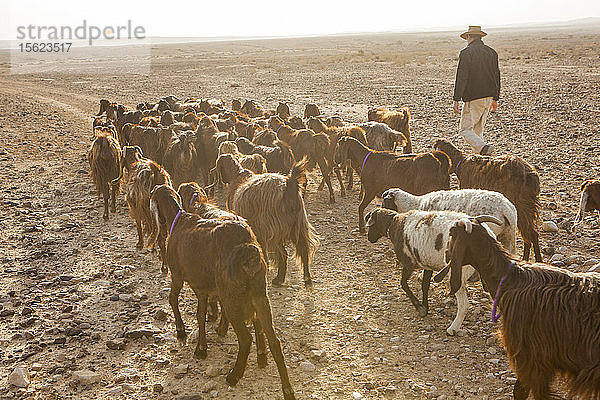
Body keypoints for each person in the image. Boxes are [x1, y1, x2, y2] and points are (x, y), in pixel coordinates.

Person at [453, 26, 500, 155]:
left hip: (473, 97)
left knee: (466, 130)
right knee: (478, 131)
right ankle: (479, 162)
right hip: (489, 97)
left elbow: (462, 77)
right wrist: (495, 97)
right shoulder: (492, 52)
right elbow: (497, 75)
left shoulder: (466, 53)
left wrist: (456, 99)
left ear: (469, 37)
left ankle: (484, 148)